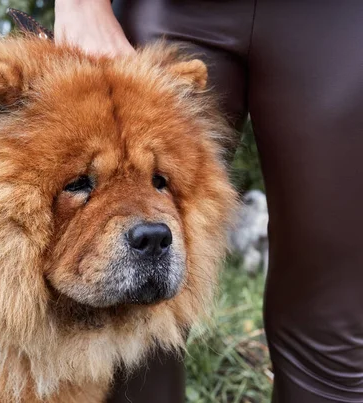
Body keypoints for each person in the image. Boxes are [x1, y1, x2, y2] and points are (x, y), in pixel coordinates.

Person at [54, 1, 363, 402]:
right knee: (123, 321)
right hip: (172, 10)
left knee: (331, 332)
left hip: (333, 17)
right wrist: (80, 6)